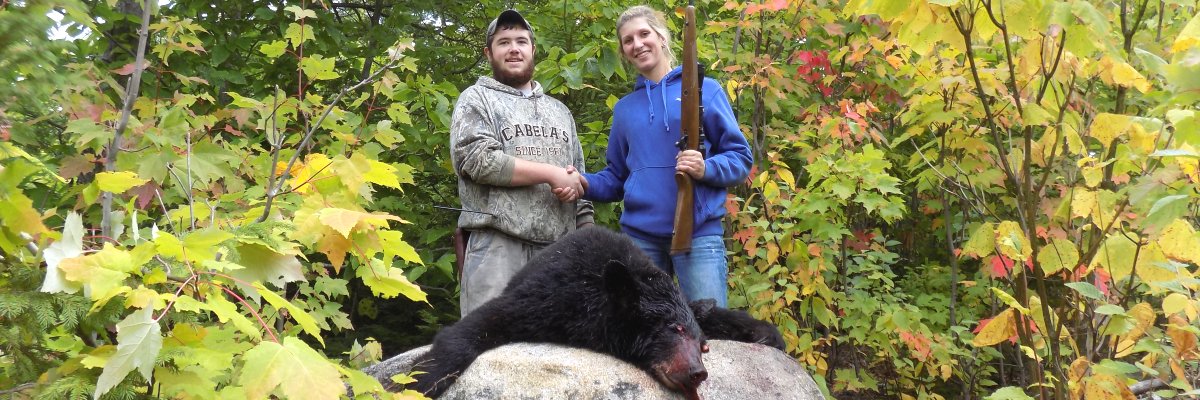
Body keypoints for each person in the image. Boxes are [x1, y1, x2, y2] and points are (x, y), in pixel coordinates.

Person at [579, 5, 752, 308]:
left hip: (698, 237)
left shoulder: (705, 91)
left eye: (644, 34)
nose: (637, 44)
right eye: (628, 40)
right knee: (639, 338)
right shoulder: (625, 109)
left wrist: (705, 167)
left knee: (710, 334)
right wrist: (581, 183)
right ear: (623, 51)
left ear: (661, 37)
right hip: (639, 242)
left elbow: (740, 158)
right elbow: (616, 179)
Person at [450, 9, 594, 317]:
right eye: (504, 42)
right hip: (496, 250)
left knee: (558, 350)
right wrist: (551, 174)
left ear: (532, 49)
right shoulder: (476, 99)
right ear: (489, 52)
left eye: (521, 41)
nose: (514, 48)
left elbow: (577, 175)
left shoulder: (559, 111)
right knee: (488, 348)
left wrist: (588, 234)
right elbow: (476, 160)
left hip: (560, 254)